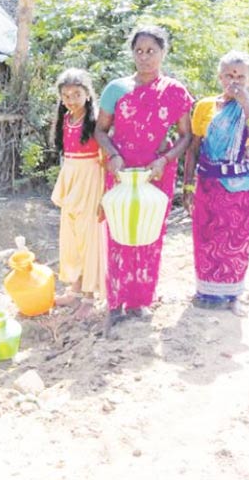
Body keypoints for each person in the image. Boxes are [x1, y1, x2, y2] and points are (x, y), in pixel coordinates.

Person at [95, 26, 193, 331]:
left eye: (151, 51)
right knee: (119, 237)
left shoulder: (175, 91)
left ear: (164, 52)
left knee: (149, 238)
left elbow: (186, 136)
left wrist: (164, 160)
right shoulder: (116, 88)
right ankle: (116, 303)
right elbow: (100, 130)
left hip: (156, 175)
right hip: (123, 174)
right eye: (139, 51)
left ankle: (140, 302)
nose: (145, 57)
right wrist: (112, 154)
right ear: (132, 53)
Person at [183, 51, 249, 316]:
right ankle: (207, 292)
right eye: (229, 75)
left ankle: (233, 294)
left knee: (236, 240)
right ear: (219, 76)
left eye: (240, 76)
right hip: (208, 183)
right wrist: (188, 185)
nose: (234, 80)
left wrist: (248, 108)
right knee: (206, 238)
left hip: (240, 187)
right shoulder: (204, 106)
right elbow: (193, 147)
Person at [50, 69, 104, 318]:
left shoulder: (95, 122)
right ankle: (74, 288)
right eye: (66, 95)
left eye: (76, 94)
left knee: (89, 236)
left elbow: (104, 157)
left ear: (88, 94)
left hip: (91, 178)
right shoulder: (65, 120)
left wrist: (104, 195)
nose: (71, 100)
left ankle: (90, 297)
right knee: (70, 235)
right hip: (71, 177)